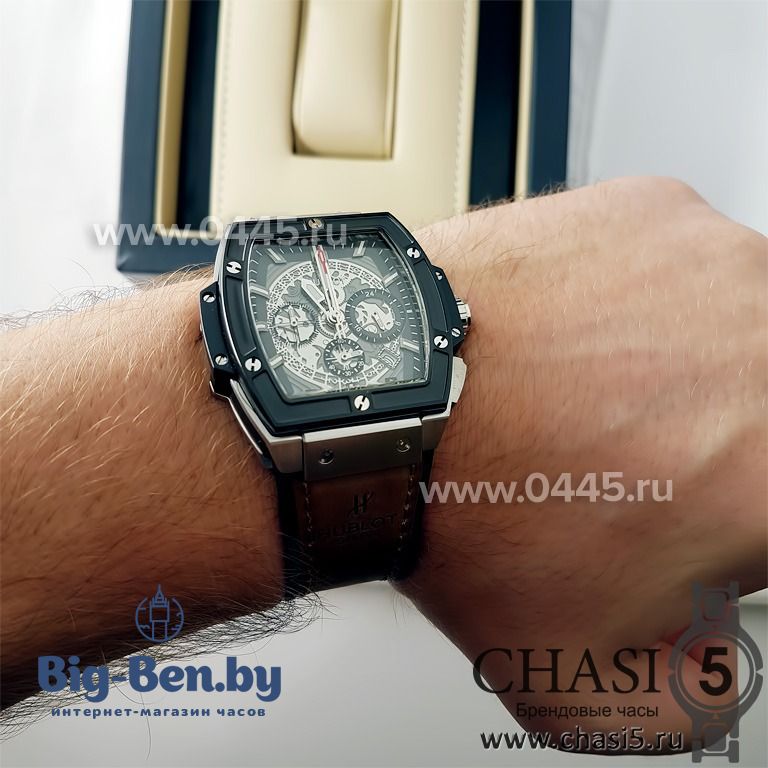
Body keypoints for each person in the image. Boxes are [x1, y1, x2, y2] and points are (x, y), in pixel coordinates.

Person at [1, 177, 765, 750]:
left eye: (367, 315)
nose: (342, 325)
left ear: (449, 320)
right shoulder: (238, 356)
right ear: (223, 353)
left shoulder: (427, 341)